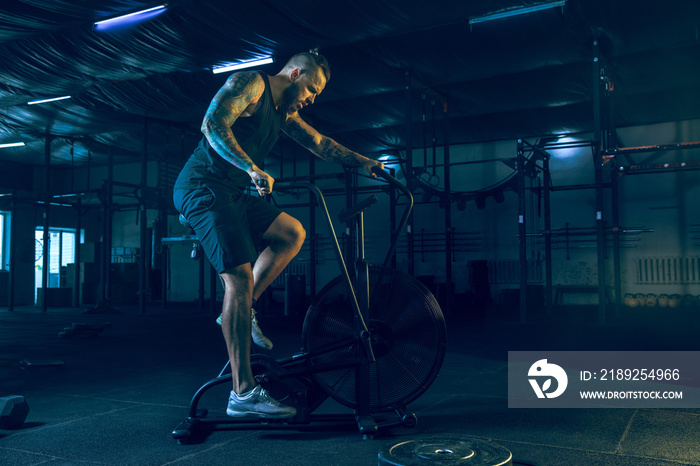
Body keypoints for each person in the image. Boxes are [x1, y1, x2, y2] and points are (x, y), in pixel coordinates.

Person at [172, 51, 383, 419]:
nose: (311, 98)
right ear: (296, 73)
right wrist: (252, 168)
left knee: (292, 233)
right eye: (311, 89)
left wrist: (362, 161)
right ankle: (242, 393)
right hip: (203, 187)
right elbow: (211, 124)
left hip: (234, 191)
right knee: (237, 278)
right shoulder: (250, 84)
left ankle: (239, 310)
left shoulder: (283, 111)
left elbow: (319, 143)